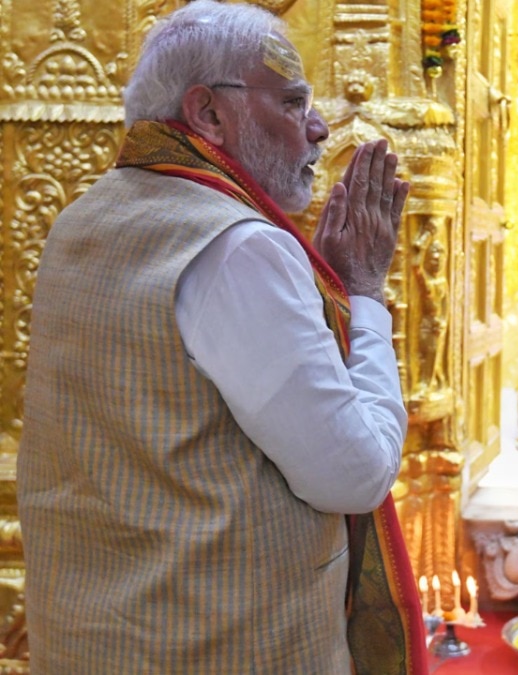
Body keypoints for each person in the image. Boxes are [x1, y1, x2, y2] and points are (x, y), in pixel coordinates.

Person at [16, 2, 427, 673]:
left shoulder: (82, 219)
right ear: (208, 113)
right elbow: (354, 475)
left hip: (92, 639)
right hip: (225, 647)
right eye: (292, 103)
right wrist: (363, 295)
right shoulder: (237, 245)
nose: (319, 127)